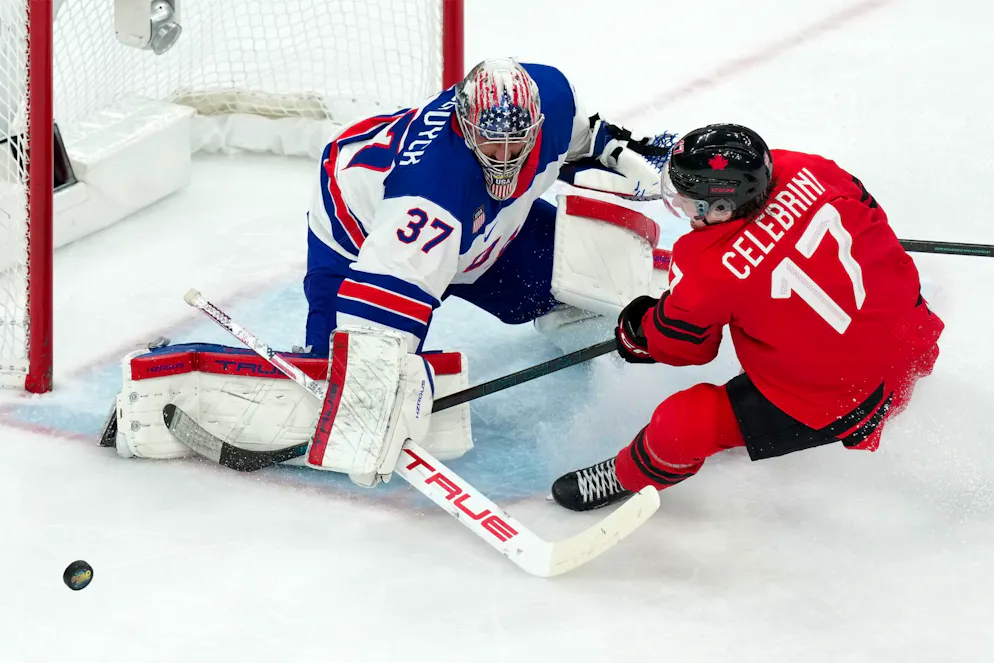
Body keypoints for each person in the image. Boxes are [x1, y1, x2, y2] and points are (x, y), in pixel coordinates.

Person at [551, 124, 945, 511]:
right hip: (916, 337)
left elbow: (685, 348)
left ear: (722, 207)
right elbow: (874, 216)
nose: (682, 208)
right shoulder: (814, 169)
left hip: (851, 402)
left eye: (689, 201)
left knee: (684, 423)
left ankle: (627, 476)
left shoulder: (706, 271)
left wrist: (637, 331)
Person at [303, 57, 676, 356]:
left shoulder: (556, 100)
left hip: (474, 223)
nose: (503, 158)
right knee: (348, 356)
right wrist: (373, 376)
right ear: (465, 127)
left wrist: (642, 165)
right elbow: (375, 327)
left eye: (516, 143)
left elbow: (586, 143)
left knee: (577, 280)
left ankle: (570, 325)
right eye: (490, 142)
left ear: (536, 124)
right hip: (360, 229)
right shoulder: (431, 193)